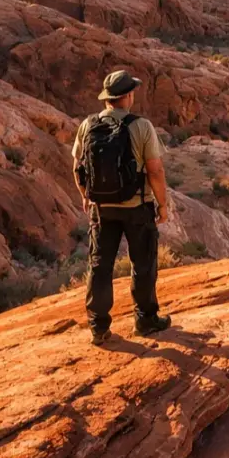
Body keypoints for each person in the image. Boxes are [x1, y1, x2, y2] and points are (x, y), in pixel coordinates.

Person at [72, 69, 173, 345]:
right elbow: (155, 171)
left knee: (100, 266)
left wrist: (86, 195)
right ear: (127, 96)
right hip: (137, 206)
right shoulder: (141, 126)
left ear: (107, 99)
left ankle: (98, 327)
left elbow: (77, 167)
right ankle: (146, 320)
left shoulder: (88, 125)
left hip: (102, 209)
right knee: (143, 264)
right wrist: (163, 205)